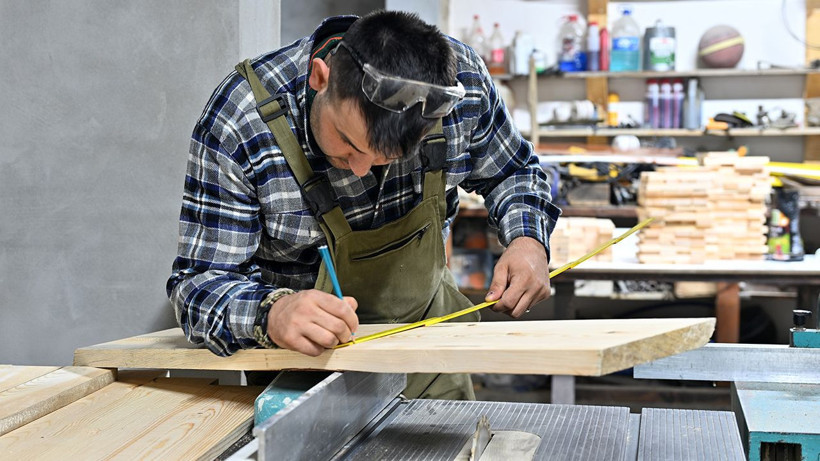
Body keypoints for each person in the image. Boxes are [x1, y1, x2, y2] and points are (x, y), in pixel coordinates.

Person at [167, 10, 560, 400]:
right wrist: (272, 314)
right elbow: (197, 286)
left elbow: (513, 172)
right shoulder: (240, 122)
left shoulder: (462, 87)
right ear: (320, 77)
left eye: (387, 158)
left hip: (428, 356)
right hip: (302, 373)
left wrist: (528, 239)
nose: (359, 169)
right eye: (347, 142)